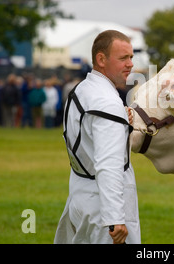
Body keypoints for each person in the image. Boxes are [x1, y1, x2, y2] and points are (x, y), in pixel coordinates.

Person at [55, 30, 140, 244]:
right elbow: (108, 164)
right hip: (103, 208)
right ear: (101, 59)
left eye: (131, 57)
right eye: (123, 58)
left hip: (81, 196)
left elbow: (86, 141)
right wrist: (114, 218)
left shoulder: (81, 90)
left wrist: (121, 121)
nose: (130, 64)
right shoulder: (106, 102)